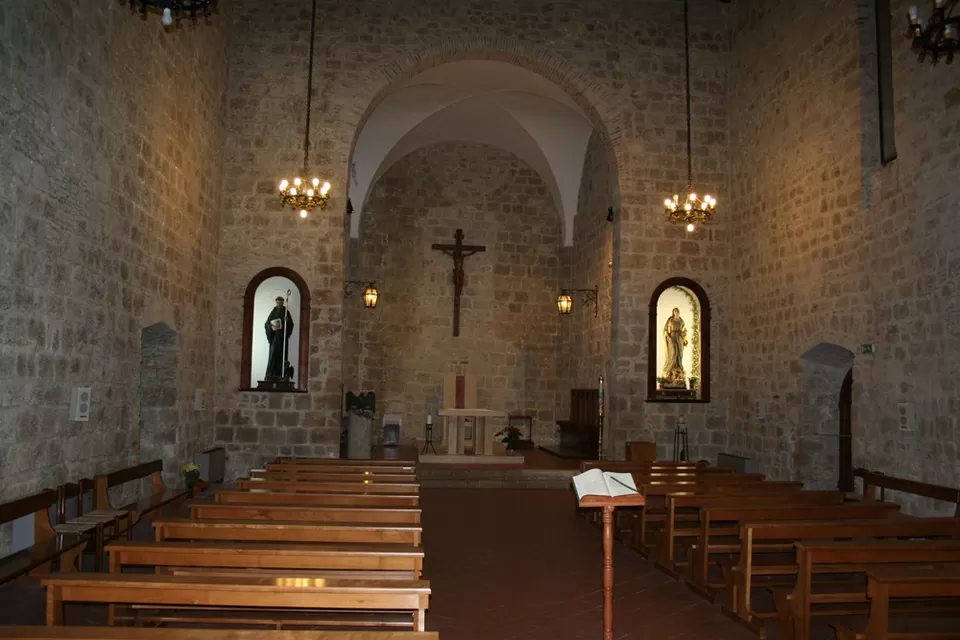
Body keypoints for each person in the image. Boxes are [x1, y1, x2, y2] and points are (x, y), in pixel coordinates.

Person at [264, 296, 294, 379]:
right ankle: (271, 373)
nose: (279, 304)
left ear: (283, 303)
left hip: (282, 338)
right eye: (277, 302)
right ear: (276, 302)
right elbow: (267, 324)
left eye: (280, 302)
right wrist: (271, 326)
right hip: (274, 337)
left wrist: (286, 321)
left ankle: (281, 373)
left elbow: (291, 324)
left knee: (282, 354)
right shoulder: (273, 312)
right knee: (273, 354)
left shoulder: (286, 312)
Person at [662, 308, 688, 386]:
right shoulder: (670, 320)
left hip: (679, 338)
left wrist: (683, 334)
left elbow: (685, 330)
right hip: (672, 337)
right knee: (673, 352)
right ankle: (669, 369)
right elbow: (665, 329)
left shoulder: (681, 320)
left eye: (677, 311)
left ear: (679, 312)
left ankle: (678, 367)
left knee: (679, 354)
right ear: (673, 312)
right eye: (675, 311)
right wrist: (668, 336)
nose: (676, 312)